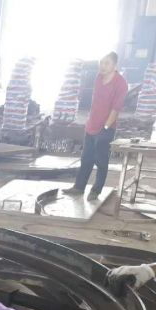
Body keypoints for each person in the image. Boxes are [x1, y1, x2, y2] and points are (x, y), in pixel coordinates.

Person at [64, 52, 128, 201]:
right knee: (86, 158)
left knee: (101, 160)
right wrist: (90, 123)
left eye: (106, 63)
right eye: (101, 63)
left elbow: (116, 109)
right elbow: (96, 103)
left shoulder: (121, 83)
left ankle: (96, 190)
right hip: (91, 125)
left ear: (115, 66)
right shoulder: (98, 78)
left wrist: (105, 127)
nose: (102, 66)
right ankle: (79, 187)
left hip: (106, 127)